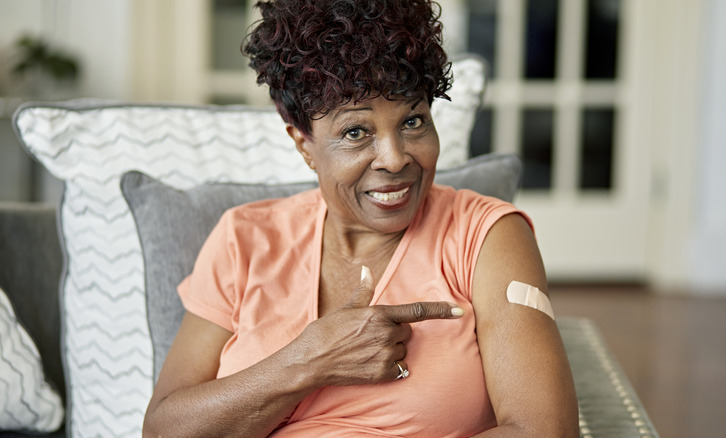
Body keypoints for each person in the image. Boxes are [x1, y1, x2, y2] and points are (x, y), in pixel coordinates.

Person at [142, 0, 578, 436]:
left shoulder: (485, 236)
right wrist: (312, 359)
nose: (394, 158)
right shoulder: (245, 239)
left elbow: (544, 431)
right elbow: (164, 430)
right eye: (356, 132)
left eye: (412, 121)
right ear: (304, 145)